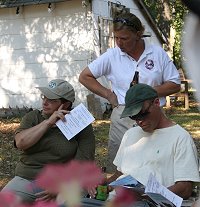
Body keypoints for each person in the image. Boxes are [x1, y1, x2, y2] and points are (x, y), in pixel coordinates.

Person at [79, 12, 181, 173]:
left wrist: (146, 93)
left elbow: (175, 84)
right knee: (120, 163)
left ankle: (150, 194)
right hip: (123, 115)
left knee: (154, 161)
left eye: (124, 38)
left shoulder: (156, 53)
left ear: (138, 34)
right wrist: (108, 94)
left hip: (151, 114)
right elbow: (85, 76)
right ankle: (117, 193)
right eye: (116, 38)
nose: (119, 43)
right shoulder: (113, 55)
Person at [1, 79, 95, 203]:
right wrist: (48, 123)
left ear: (65, 104)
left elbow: (84, 160)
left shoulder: (79, 122)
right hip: (28, 178)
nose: (45, 102)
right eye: (44, 97)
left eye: (51, 100)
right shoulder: (33, 117)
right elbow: (21, 142)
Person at [102, 83, 199, 202]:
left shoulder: (180, 138)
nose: (139, 121)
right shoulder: (130, 134)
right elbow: (119, 174)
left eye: (142, 114)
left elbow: (185, 188)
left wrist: (148, 197)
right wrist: (104, 184)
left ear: (157, 103)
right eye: (134, 117)